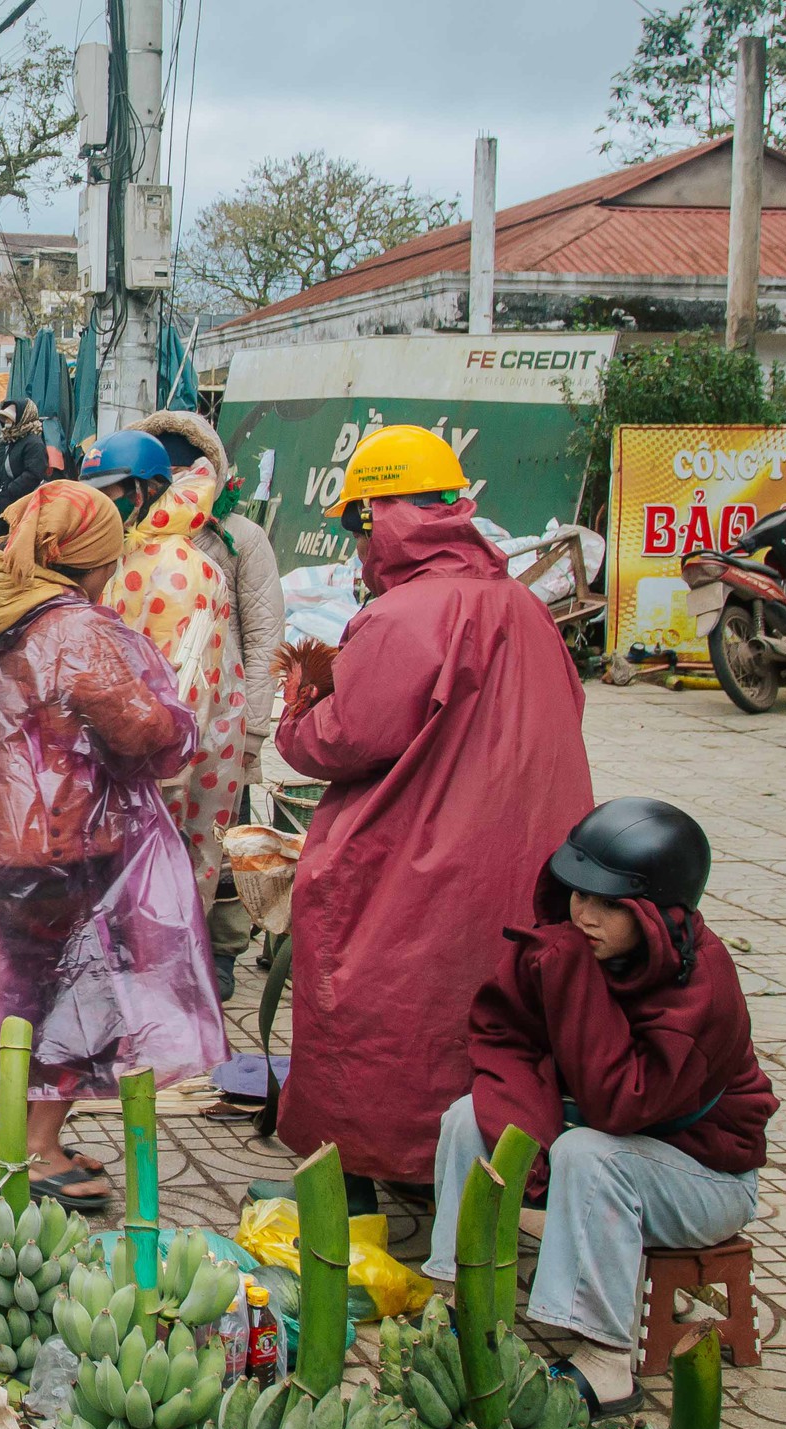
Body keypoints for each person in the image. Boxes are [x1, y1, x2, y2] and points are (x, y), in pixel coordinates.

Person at [277, 424, 594, 1195]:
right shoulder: (523, 607)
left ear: (380, 519)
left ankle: (356, 1174)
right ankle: (467, 1166)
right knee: (485, 1016)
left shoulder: (401, 618)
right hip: (528, 866)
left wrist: (298, 710)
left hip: (417, 867)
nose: (356, 550)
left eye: (358, 527)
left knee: (378, 1008)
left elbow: (342, 740)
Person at [424, 798, 772, 1420]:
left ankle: (607, 1363)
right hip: (607, 1152)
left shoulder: (702, 989)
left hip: (708, 1179)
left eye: (612, 903)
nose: (585, 915)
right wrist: (528, 1162)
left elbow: (620, 1105)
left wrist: (573, 979)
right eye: (578, 893)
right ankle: (462, 1303)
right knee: (465, 1117)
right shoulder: (567, 946)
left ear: (660, 915)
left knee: (588, 1152)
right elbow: (505, 1045)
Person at [0, 479, 227, 1211]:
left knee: (24, 995)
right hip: (66, 846)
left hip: (0, 838)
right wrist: (176, 714)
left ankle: (19, 1132)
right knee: (78, 1000)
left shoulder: (10, 615)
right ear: (87, 560)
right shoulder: (73, 632)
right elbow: (140, 732)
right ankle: (36, 1149)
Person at [137, 409, 282, 992]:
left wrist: (251, 729)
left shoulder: (237, 538)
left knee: (221, 838)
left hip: (224, 721)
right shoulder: (138, 534)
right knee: (160, 838)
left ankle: (220, 950)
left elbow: (266, 633)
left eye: (186, 472)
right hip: (157, 727)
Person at [79, 429, 244, 909]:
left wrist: (145, 766)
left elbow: (182, 695)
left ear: (145, 490)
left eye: (108, 494)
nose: (99, 507)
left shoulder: (184, 569)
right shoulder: (124, 550)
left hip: (163, 766)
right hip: (123, 753)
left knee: (164, 891)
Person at [0, 402, 50, 534]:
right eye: (5, 419)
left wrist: (10, 491)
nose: (7, 422)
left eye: (10, 418)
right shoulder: (4, 443)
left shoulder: (34, 443)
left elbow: (34, 474)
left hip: (20, 512)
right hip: (0, 512)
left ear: (23, 417)